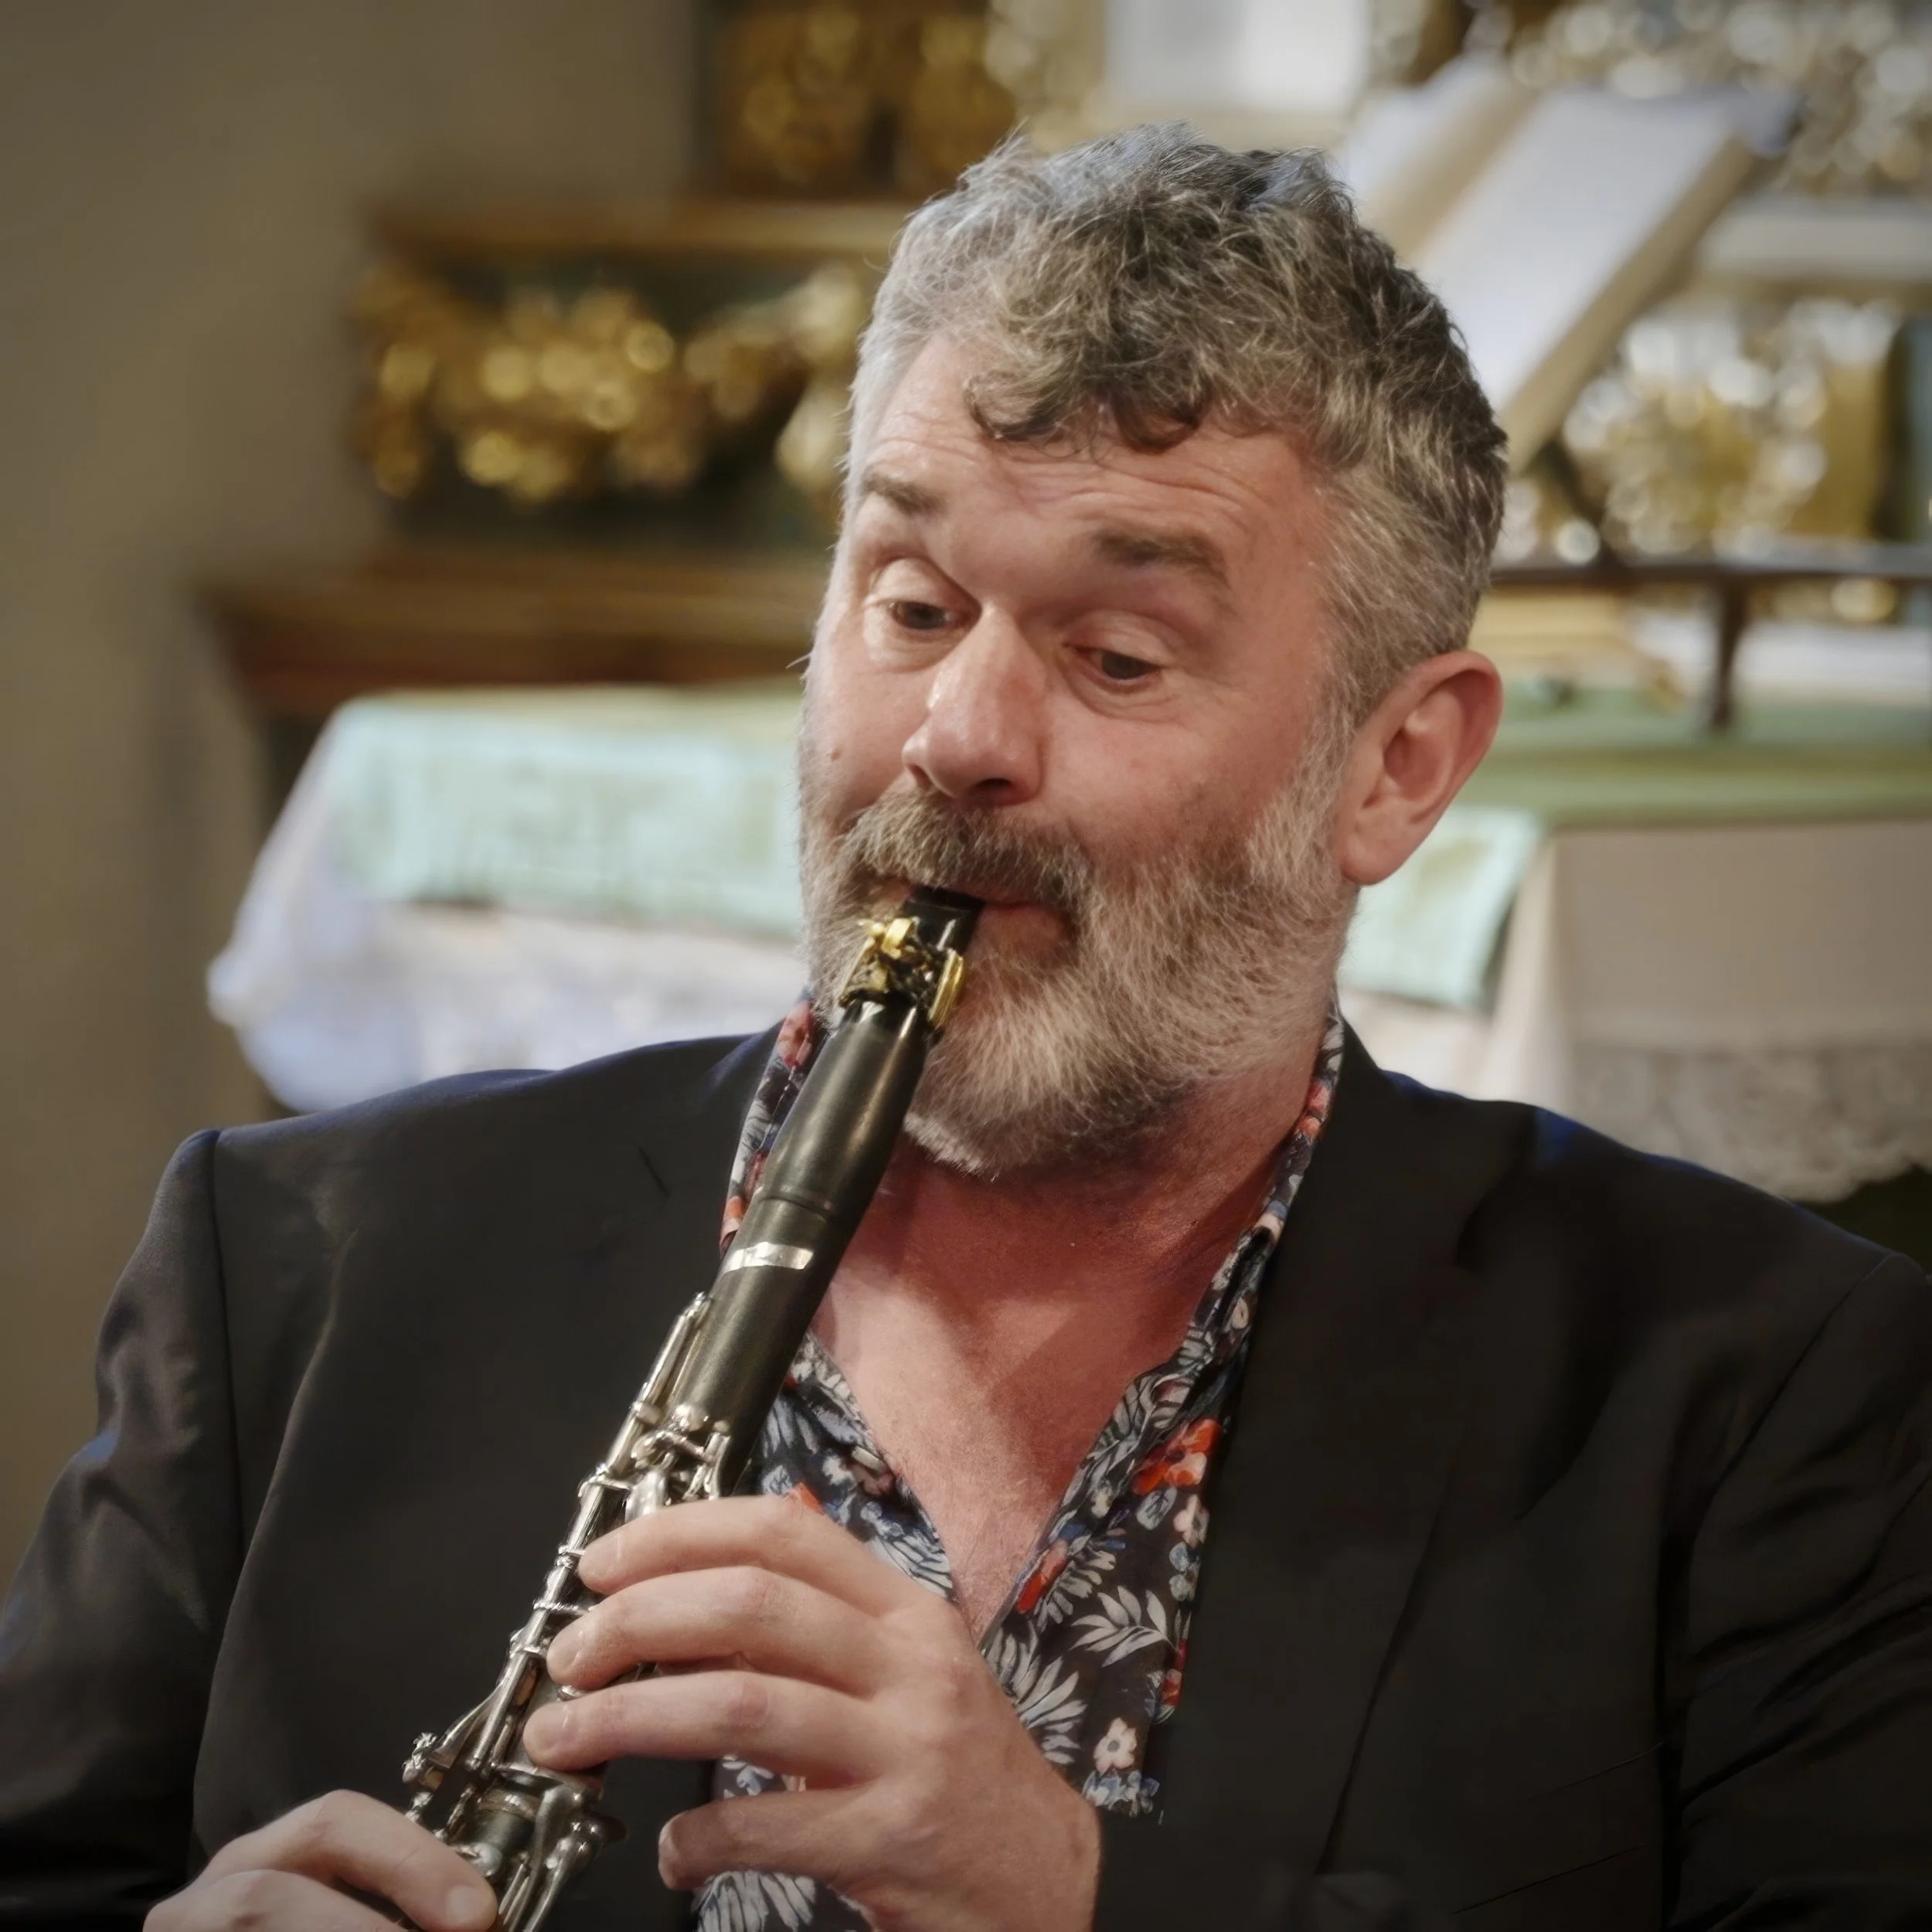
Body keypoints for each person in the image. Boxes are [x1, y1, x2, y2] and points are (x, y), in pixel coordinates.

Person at [3, 125, 1929, 1932]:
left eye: (1115, 654)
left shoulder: (1761, 1396)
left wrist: (1070, 1886)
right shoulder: (293, 1274)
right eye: (911, 606)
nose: (956, 740)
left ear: (1395, 763)